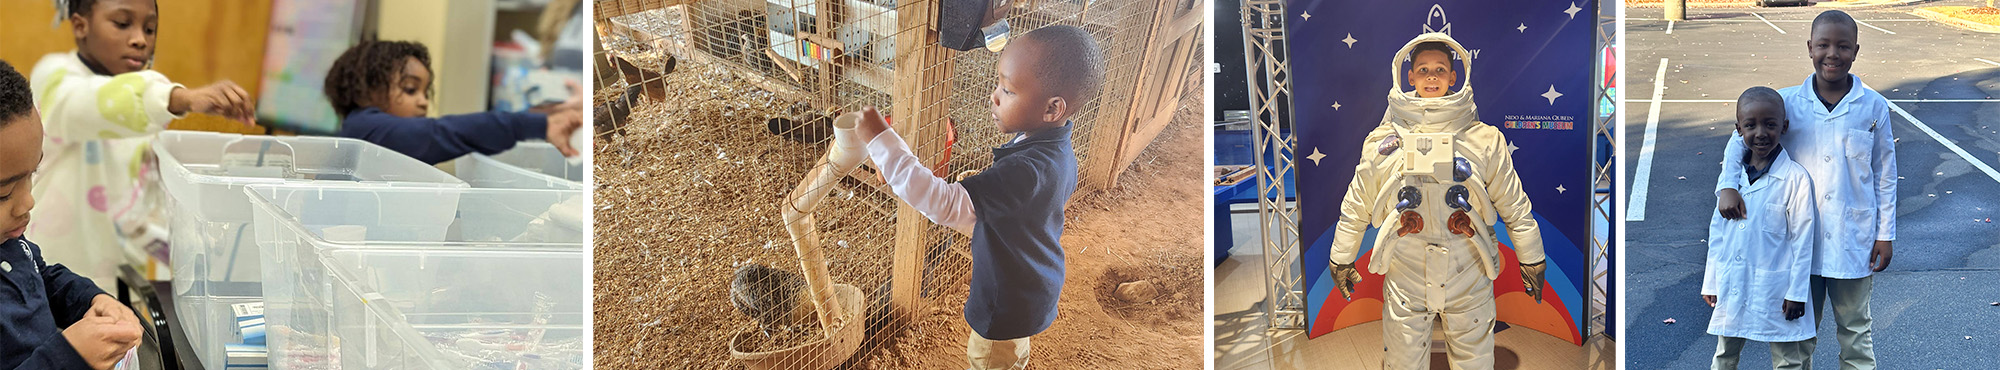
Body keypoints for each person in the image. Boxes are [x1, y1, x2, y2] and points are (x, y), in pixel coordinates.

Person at [850, 25, 1103, 370]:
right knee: (1010, 358)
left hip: (1007, 306)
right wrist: (896, 168)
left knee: (988, 361)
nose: (994, 96)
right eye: (998, 83)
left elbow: (944, 205)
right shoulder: (1055, 150)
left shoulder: (1026, 171)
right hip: (1029, 288)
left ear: (1052, 108)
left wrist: (882, 141)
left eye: (1009, 90)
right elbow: (1008, 213)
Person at [1325, 33, 1548, 370]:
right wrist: (1341, 256)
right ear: (1409, 77)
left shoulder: (1483, 140)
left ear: (1454, 77)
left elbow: (1514, 206)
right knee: (1402, 361)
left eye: (1440, 70)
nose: (1432, 77)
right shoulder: (1382, 143)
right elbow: (1358, 203)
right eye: (1424, 70)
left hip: (1468, 269)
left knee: (1473, 360)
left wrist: (1532, 257)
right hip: (1407, 272)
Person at [28, 0, 258, 289]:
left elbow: (142, 210)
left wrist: (173, 272)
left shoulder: (142, 116)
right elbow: (91, 104)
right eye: (122, 24)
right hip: (50, 281)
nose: (140, 40)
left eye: (150, 29)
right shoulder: (54, 77)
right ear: (80, 26)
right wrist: (179, 99)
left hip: (107, 289)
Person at [1716, 10, 1895, 369]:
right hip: (1796, 247)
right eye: (1824, 45)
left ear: (1856, 51)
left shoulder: (1873, 106)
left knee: (1856, 332)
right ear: (1809, 48)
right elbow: (1740, 140)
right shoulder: (1787, 104)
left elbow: (1884, 173)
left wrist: (1884, 233)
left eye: (1843, 46)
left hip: (1852, 240)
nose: (1833, 54)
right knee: (1796, 338)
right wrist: (1726, 186)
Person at [0, 58, 148, 370]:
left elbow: (41, 278)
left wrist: (92, 300)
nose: (28, 201)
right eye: (3, 193)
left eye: (33, 173)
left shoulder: (8, 239)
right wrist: (69, 356)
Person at [323, 40, 582, 165]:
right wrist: (534, 125)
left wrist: (547, 114)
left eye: (426, 93)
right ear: (365, 91)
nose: (424, 102)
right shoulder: (365, 129)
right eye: (411, 90)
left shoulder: (368, 131)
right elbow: (445, 132)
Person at [1704, 87, 1816, 370]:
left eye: (1770, 124)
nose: (1761, 133)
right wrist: (1711, 280)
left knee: (1787, 360)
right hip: (1733, 282)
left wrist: (1797, 292)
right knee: (1725, 355)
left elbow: (1803, 240)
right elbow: (1718, 234)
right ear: (1738, 128)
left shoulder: (1795, 179)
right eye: (1751, 125)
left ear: (1784, 126)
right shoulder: (1731, 181)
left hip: (1777, 289)